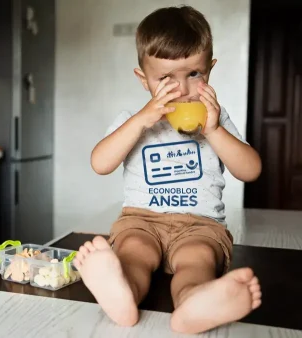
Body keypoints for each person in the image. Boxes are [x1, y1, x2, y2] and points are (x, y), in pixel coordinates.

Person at [73, 5, 262, 334]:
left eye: (194, 74)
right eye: (165, 79)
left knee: (197, 261)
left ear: (210, 70)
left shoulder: (216, 119)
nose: (183, 89)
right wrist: (141, 120)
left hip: (199, 226)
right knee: (133, 255)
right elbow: (99, 163)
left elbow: (251, 170)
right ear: (143, 80)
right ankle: (121, 292)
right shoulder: (134, 121)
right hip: (140, 221)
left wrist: (215, 131)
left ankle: (194, 303)